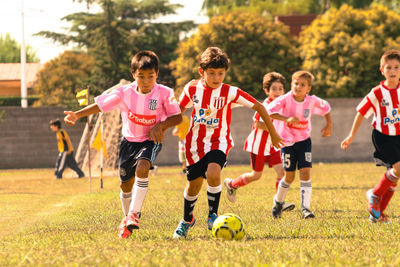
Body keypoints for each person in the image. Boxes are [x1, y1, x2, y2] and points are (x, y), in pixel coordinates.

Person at [64, 50, 182, 238]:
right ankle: (126, 219)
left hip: (150, 141)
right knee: (125, 185)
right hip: (128, 142)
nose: (146, 81)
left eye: (150, 76)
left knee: (142, 168)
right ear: (133, 75)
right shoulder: (123, 93)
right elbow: (100, 106)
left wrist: (161, 125)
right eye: (141, 76)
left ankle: (134, 214)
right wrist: (77, 114)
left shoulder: (165, 93)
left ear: (157, 74)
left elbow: (177, 117)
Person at [172, 47, 284, 239]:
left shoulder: (230, 92)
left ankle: (212, 215)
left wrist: (273, 133)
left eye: (221, 73)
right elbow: (177, 112)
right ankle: (187, 219)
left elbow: (259, 106)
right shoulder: (192, 88)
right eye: (211, 73)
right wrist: (159, 126)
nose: (216, 78)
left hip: (219, 142)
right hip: (194, 145)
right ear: (202, 72)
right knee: (194, 186)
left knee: (214, 172)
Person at [341, 49, 400, 223]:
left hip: (398, 136)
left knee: (394, 178)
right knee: (398, 169)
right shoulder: (377, 92)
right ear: (382, 70)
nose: (393, 71)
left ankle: (378, 215)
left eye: (396, 67)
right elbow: (361, 112)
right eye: (388, 67)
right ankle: (374, 195)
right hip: (382, 137)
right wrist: (351, 135)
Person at [224, 72, 295, 212]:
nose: (278, 91)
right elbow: (258, 124)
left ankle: (279, 202)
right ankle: (232, 184)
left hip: (273, 146)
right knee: (256, 175)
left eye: (280, 89)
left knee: (281, 172)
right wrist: (276, 129)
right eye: (274, 88)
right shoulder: (266, 105)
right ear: (267, 91)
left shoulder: (281, 106)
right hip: (259, 145)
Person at [268, 70, 332, 219]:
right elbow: (269, 112)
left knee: (305, 173)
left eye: (302, 85)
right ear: (291, 84)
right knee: (289, 177)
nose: (298, 86)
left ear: (308, 89)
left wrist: (329, 125)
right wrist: (286, 119)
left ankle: (306, 209)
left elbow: (326, 108)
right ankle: (278, 202)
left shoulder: (312, 100)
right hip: (288, 142)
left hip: (304, 141)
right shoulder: (285, 99)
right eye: (296, 83)